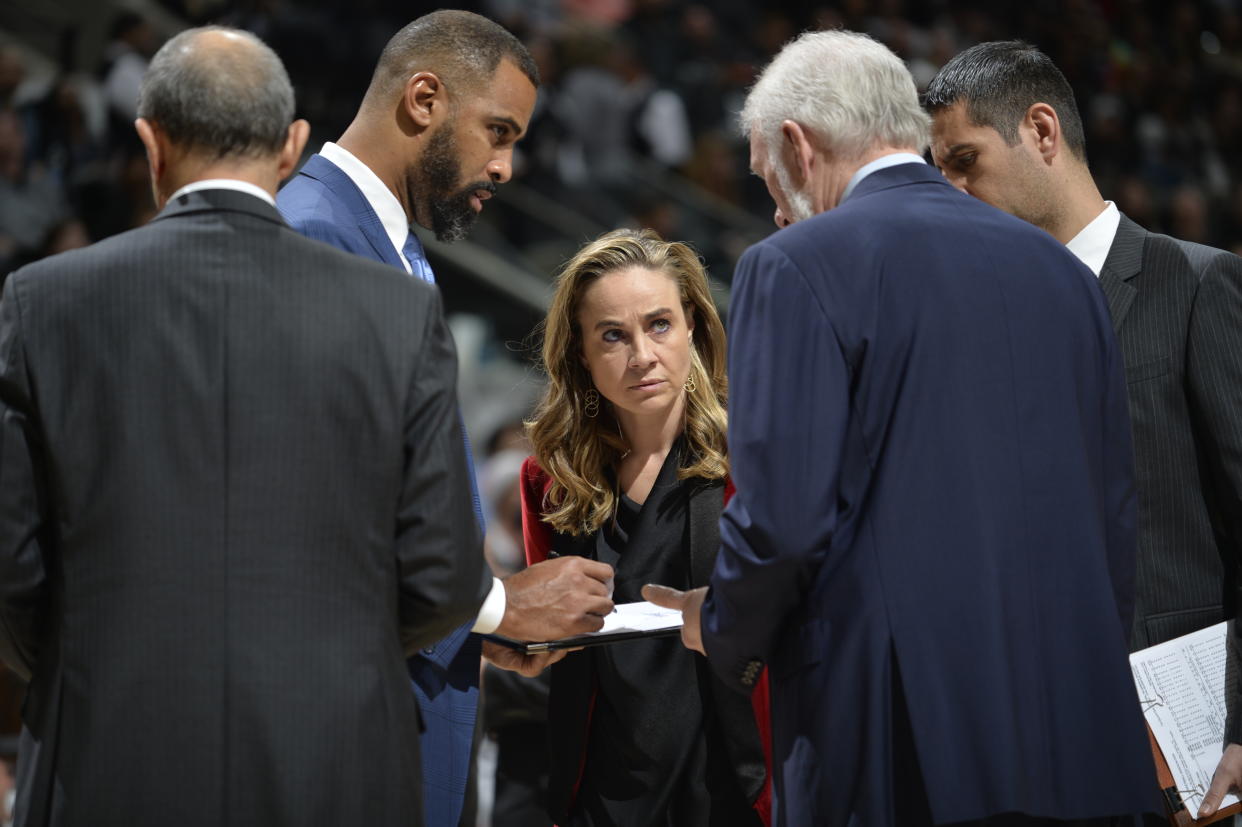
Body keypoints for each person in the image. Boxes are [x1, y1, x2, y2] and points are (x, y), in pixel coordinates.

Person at [642, 30, 1159, 826]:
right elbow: (1113, 523)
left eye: (765, 181)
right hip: (1080, 742)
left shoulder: (792, 264)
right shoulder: (1063, 274)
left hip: (895, 750)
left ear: (796, 145)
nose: (775, 209)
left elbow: (782, 521)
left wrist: (720, 621)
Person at [0, 27, 487, 825]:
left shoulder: (42, 301)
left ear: (150, 146)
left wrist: (85, 665)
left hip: (103, 758)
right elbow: (440, 576)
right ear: (293, 147)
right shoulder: (397, 312)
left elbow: (12, 572)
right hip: (331, 765)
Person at [276, 12, 617, 826]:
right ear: (424, 97)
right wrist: (494, 606)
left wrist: (471, 622)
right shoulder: (317, 233)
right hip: (353, 722)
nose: (504, 165)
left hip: (413, 689)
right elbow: (318, 508)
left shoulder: (394, 242)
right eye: (497, 132)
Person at [924, 41, 1242, 821]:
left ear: (1041, 131)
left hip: (1189, 748)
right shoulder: (975, 330)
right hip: (1032, 753)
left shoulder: (1197, 284)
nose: (952, 192)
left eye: (964, 161)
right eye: (941, 173)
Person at [520, 228, 770, 826]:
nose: (642, 356)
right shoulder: (548, 482)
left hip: (737, 791)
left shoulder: (759, 462)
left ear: (693, 328)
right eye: (612, 335)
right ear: (581, 352)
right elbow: (546, 641)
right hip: (602, 796)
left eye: (659, 325)